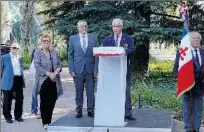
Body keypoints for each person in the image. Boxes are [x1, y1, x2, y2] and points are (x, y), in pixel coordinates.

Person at [103, 18, 136, 120]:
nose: (115, 28)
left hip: (124, 70)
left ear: (121, 27)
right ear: (112, 28)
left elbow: (132, 50)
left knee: (126, 91)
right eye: (114, 26)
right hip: (112, 70)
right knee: (112, 91)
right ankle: (113, 111)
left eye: (117, 26)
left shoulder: (128, 38)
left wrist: (123, 52)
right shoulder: (107, 39)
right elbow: (104, 52)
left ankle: (128, 113)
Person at [173, 31, 204, 132]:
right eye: (194, 38)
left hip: (200, 86)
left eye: (198, 38)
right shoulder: (183, 52)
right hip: (187, 86)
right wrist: (182, 78)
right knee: (187, 110)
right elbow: (176, 68)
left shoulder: (203, 52)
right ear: (189, 40)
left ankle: (196, 129)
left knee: (198, 111)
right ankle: (187, 129)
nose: (196, 40)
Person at [68, 20, 99, 118]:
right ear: (78, 28)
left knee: (90, 90)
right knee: (79, 90)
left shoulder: (94, 38)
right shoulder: (73, 38)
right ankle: (79, 110)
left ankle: (90, 110)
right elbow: (70, 55)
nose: (84, 28)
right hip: (78, 69)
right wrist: (71, 69)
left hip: (90, 69)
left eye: (85, 26)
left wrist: (96, 69)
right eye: (82, 26)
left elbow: (97, 55)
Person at [34, 34, 63, 129]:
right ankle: (45, 121)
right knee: (44, 101)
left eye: (48, 41)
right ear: (41, 42)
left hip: (54, 80)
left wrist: (55, 72)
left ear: (50, 42)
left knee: (53, 100)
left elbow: (59, 64)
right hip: (44, 80)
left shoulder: (54, 52)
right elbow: (37, 66)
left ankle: (49, 121)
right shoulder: (38, 52)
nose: (46, 42)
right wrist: (49, 74)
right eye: (44, 41)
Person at [1, 41, 25, 123]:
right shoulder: (4, 57)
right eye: (14, 48)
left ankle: (18, 116)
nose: (16, 49)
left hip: (18, 80)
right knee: (7, 100)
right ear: (10, 48)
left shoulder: (20, 57)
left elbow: (21, 70)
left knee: (20, 99)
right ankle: (7, 116)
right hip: (7, 80)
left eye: (17, 48)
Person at [30, 41, 42, 118]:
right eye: (39, 44)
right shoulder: (36, 54)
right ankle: (35, 110)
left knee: (42, 95)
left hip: (42, 77)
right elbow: (33, 68)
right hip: (36, 78)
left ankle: (39, 110)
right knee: (35, 94)